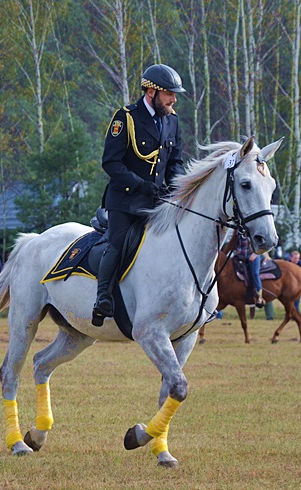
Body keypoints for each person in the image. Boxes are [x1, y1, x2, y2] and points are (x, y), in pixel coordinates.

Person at [93, 64, 186, 326]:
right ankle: (103, 298)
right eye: (169, 93)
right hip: (125, 201)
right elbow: (111, 162)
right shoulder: (126, 118)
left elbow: (175, 162)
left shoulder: (172, 120)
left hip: (158, 202)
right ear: (151, 92)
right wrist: (140, 185)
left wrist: (177, 187)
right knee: (118, 243)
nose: (174, 99)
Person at [236, 232, 264, 308]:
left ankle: (259, 297)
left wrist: (256, 254)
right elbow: (238, 243)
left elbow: (262, 245)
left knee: (255, 273)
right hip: (241, 255)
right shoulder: (239, 231)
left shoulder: (255, 230)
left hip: (254, 254)